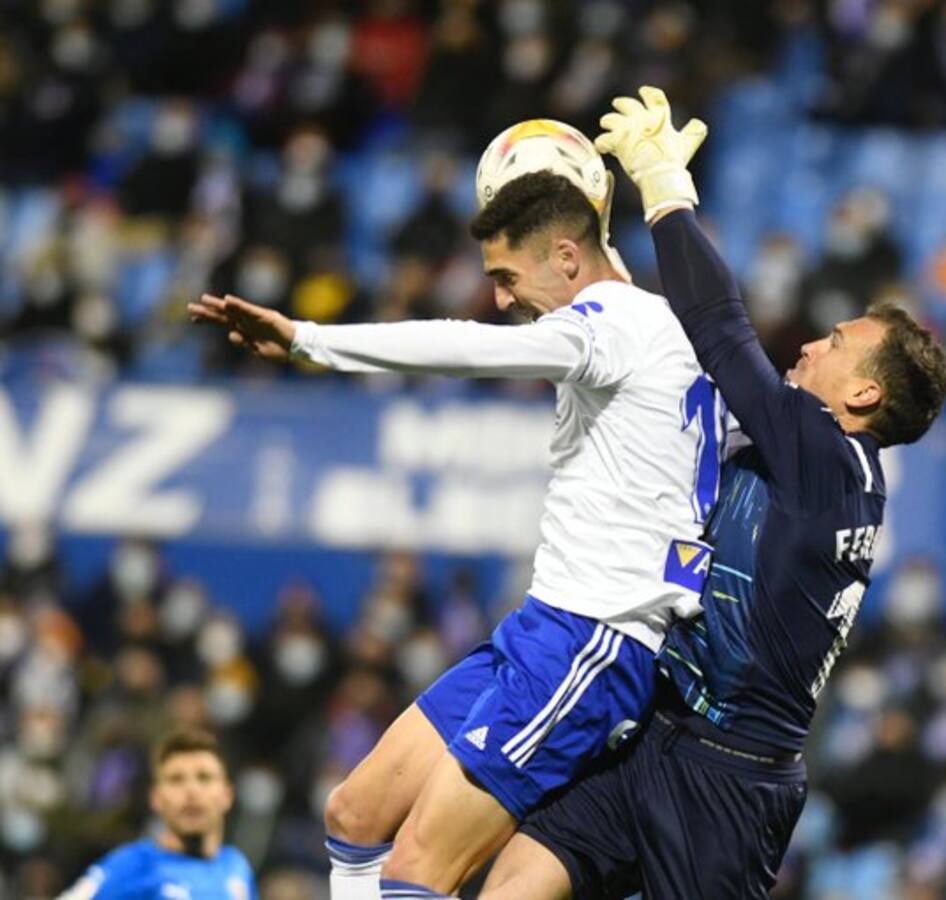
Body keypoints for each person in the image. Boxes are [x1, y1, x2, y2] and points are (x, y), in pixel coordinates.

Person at [188, 166, 725, 898]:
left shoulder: (609, 330)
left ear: (567, 258)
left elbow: (471, 349)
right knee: (355, 814)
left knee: (417, 872)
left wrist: (311, 342)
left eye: (507, 276)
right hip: (544, 625)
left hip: (596, 639)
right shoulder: (643, 320)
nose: (502, 299)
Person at [478, 87, 946, 899]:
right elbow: (678, 361)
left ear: (867, 396)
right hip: (656, 737)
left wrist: (664, 187)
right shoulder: (798, 452)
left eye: (836, 343)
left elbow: (721, 329)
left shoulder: (833, 462)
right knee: (513, 885)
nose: (809, 343)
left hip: (730, 783)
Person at [59, 728, 256, 900]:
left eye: (204, 778)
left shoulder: (237, 867)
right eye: (176, 779)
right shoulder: (132, 867)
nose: (191, 791)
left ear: (227, 795)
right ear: (156, 799)